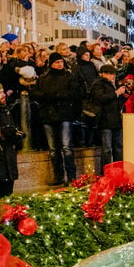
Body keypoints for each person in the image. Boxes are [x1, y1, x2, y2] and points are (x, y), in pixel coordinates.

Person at [35, 51, 81, 185]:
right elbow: (38, 93)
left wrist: (55, 96)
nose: (60, 64)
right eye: (57, 62)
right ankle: (58, 175)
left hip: (65, 114)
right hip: (48, 115)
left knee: (66, 146)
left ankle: (71, 176)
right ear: (51, 64)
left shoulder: (69, 76)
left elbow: (74, 93)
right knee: (53, 149)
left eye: (61, 62)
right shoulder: (44, 78)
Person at [90, 64, 127, 169]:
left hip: (116, 120)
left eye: (114, 74)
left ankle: (119, 170)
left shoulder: (114, 84)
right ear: (103, 74)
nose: (113, 76)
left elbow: (118, 102)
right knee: (107, 149)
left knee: (119, 148)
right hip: (105, 120)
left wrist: (123, 95)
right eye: (110, 74)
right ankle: (107, 172)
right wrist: (116, 93)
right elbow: (100, 98)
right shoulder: (98, 84)